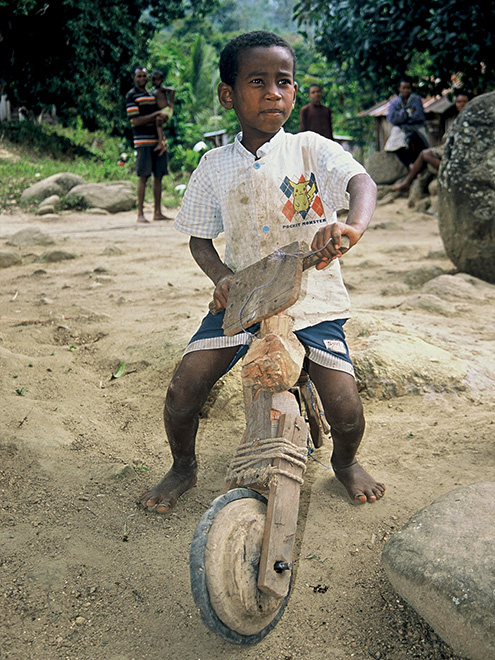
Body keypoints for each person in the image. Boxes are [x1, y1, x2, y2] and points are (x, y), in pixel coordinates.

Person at [139, 30, 385, 514]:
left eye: (284, 81)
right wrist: (221, 279)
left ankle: (345, 461)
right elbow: (199, 238)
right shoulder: (213, 166)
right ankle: (183, 465)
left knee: (347, 409)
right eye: (258, 81)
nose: (274, 92)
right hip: (244, 301)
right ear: (227, 94)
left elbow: (362, 181)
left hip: (311, 302)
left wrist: (351, 226)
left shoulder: (312, 150)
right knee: (183, 390)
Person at [392, 91, 471, 192]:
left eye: (464, 101)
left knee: (425, 154)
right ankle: (408, 182)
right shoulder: (457, 118)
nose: (461, 104)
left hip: (459, 150)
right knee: (424, 153)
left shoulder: (470, 118)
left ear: (469, 102)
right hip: (448, 147)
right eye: (458, 102)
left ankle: (448, 171)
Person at [126, 67, 171, 223]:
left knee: (159, 176)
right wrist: (155, 115)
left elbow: (163, 113)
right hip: (143, 141)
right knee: (143, 176)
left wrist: (162, 117)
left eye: (144, 76)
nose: (142, 78)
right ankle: (140, 214)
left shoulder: (153, 95)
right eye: (139, 76)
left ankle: (157, 212)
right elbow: (135, 121)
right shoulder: (131, 96)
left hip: (158, 140)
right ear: (134, 78)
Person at [385, 76, 429, 168]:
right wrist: (407, 113)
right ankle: (409, 165)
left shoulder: (416, 100)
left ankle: (420, 166)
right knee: (397, 144)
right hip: (400, 129)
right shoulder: (394, 102)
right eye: (404, 88)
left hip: (416, 127)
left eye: (408, 88)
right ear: (399, 89)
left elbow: (419, 116)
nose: (406, 90)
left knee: (419, 141)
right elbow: (392, 118)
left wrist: (402, 118)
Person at [150, 70, 175, 156]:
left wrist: (171, 102)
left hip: (166, 110)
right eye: (154, 80)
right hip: (162, 111)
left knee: (158, 122)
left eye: (158, 80)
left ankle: (161, 142)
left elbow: (172, 90)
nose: (156, 82)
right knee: (159, 124)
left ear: (161, 81)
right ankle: (162, 143)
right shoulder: (154, 91)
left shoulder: (162, 89)